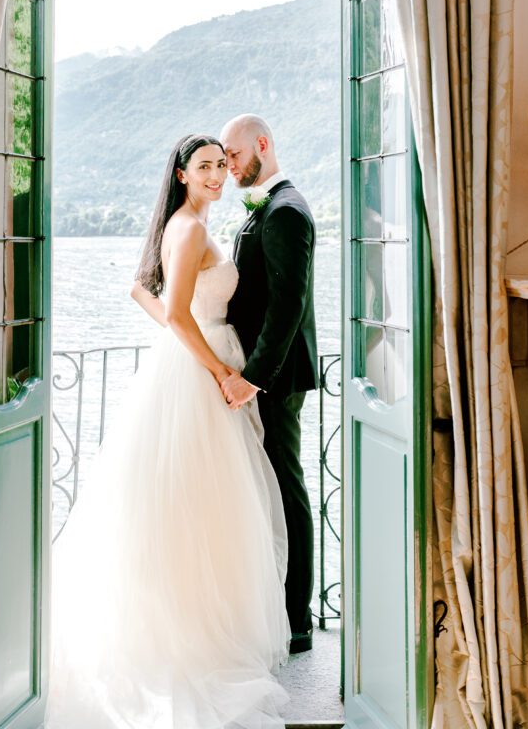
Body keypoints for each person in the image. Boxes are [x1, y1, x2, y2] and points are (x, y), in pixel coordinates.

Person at [47, 133, 291, 729]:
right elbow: (180, 314)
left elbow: (144, 292)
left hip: (195, 364)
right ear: (181, 174)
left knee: (207, 507)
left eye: (219, 165)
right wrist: (219, 371)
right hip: (200, 378)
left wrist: (200, 352)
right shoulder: (188, 229)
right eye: (203, 167)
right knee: (198, 505)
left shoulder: (190, 224)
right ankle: (187, 637)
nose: (215, 174)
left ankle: (204, 622)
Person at [220, 114, 318, 655]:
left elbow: (287, 307)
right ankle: (274, 606)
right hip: (264, 375)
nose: (229, 165)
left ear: (262, 144)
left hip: (275, 380)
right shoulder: (269, 207)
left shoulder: (285, 211)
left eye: (233, 154)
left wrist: (253, 378)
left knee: (287, 490)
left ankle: (297, 620)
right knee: (271, 490)